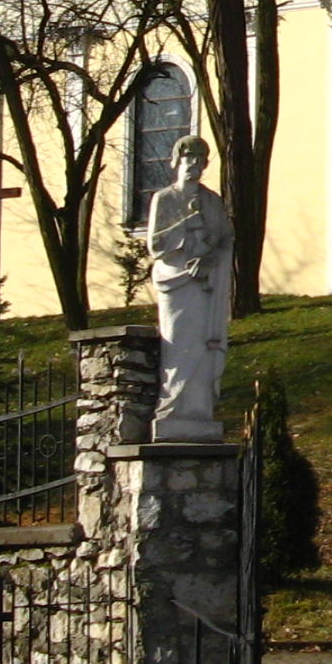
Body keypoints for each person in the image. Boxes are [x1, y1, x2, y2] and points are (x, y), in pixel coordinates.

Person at [148, 136, 232, 441]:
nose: (193, 165)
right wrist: (188, 222)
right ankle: (172, 408)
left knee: (201, 345)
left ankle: (199, 410)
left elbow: (226, 239)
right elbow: (156, 245)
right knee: (178, 342)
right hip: (175, 280)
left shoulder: (212, 201)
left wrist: (210, 260)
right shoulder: (165, 199)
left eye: (200, 160)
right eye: (188, 159)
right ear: (176, 162)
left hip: (204, 283)